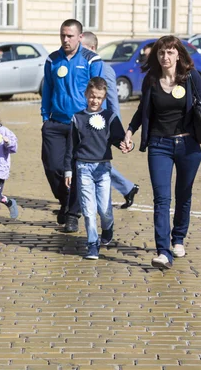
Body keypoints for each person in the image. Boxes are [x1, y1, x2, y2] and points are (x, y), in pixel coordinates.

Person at [122, 36, 201, 270]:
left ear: (179, 54)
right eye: (161, 53)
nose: (166, 57)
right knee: (162, 198)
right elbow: (141, 110)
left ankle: (178, 238)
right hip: (159, 146)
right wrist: (130, 131)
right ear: (157, 56)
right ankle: (163, 251)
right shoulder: (151, 80)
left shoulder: (191, 78)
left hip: (188, 146)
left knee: (183, 195)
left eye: (170, 52)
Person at [41, 19, 104, 232]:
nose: (65, 39)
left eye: (70, 36)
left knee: (78, 170)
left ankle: (72, 214)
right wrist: (44, 117)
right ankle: (65, 200)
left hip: (81, 124)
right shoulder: (52, 60)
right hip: (56, 122)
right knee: (53, 167)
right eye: (62, 35)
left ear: (80, 37)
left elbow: (99, 92)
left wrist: (99, 119)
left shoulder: (91, 60)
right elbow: (47, 89)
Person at [64, 78, 133, 260]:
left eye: (99, 98)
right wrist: (68, 170)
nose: (95, 101)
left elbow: (118, 139)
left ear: (104, 98)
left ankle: (107, 227)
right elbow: (70, 147)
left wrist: (126, 146)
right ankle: (92, 244)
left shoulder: (109, 117)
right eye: (92, 96)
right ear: (87, 94)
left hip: (103, 169)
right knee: (88, 209)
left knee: (104, 209)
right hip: (83, 168)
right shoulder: (77, 118)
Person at [81, 32, 140, 209]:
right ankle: (127, 188)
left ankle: (75, 205)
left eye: (82, 48)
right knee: (89, 162)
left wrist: (118, 132)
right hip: (83, 120)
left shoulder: (105, 69)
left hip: (99, 124)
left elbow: (113, 101)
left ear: (92, 48)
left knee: (93, 162)